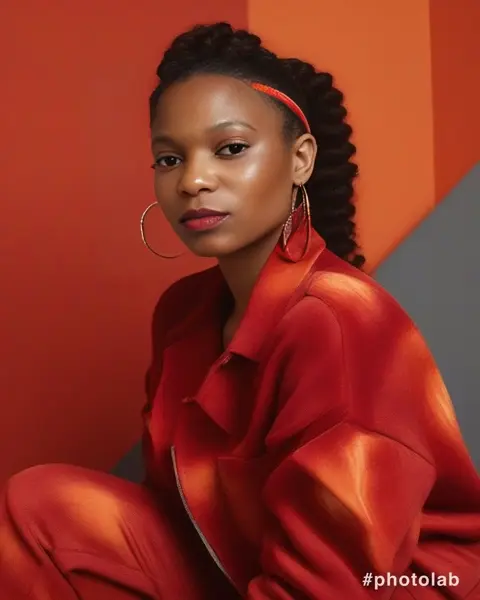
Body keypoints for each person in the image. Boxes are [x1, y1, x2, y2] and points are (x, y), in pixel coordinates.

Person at [0, 21, 479, 600]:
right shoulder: (183, 313)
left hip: (387, 587)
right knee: (42, 511)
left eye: (230, 149)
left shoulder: (337, 321)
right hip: (248, 568)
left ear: (300, 160)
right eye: (169, 158)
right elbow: (184, 519)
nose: (194, 180)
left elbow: (335, 582)